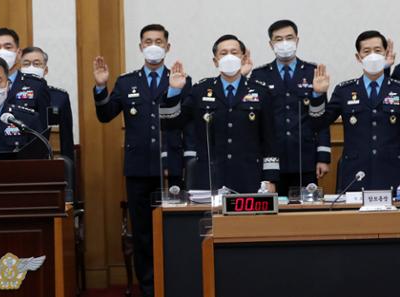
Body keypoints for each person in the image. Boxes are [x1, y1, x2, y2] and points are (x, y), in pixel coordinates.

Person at [92, 24, 187, 297]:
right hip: (138, 168)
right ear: (141, 47)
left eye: (159, 41)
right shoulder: (126, 82)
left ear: (168, 47)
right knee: (143, 234)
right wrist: (101, 87)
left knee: (173, 231)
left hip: (171, 168)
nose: (153, 45)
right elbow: (105, 115)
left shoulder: (180, 79)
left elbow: (185, 121)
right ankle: (149, 288)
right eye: (148, 41)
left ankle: (174, 284)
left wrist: (176, 90)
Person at [170, 34, 279, 193]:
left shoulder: (261, 92)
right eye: (223, 53)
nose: (229, 57)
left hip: (248, 177)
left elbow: (270, 140)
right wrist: (174, 91)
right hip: (209, 178)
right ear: (215, 61)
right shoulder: (200, 90)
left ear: (243, 58)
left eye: (234, 52)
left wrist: (270, 178)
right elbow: (171, 123)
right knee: (209, 219)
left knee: (248, 218)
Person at [309, 30, 400, 192]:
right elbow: (318, 123)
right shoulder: (344, 90)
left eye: (378, 50)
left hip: (392, 171)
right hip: (355, 173)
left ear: (386, 53)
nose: (372, 55)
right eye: (366, 51)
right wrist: (317, 95)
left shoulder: (397, 89)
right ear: (358, 57)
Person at [250, 20, 331, 196]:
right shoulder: (259, 75)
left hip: (305, 157)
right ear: (271, 44)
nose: (284, 43)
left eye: (289, 38)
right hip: (271, 160)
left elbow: (321, 117)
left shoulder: (313, 72)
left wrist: (323, 157)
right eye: (278, 39)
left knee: (307, 215)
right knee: (271, 214)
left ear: (297, 40)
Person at [20, 46, 75, 161]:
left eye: (36, 63)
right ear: (19, 68)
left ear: (45, 70)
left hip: (48, 156)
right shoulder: (10, 94)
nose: (31, 67)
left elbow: (66, 140)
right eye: (26, 63)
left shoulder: (59, 97)